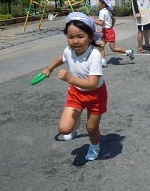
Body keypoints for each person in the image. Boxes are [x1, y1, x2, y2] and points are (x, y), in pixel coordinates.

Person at [41, 12, 107, 161]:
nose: (75, 41)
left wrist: (70, 78)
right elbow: (61, 57)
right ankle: (75, 121)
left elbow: (92, 84)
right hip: (76, 93)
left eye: (80, 36)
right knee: (64, 129)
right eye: (70, 37)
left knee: (91, 128)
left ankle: (95, 145)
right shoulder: (68, 51)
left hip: (95, 95)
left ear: (90, 37)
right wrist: (49, 68)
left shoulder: (94, 55)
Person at [92, 0, 134, 67]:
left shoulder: (102, 12)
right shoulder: (107, 11)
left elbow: (101, 23)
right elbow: (114, 19)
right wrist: (112, 26)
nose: (97, 3)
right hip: (106, 31)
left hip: (108, 32)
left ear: (103, 4)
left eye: (99, 2)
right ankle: (103, 62)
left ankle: (128, 52)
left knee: (113, 49)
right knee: (101, 46)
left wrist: (93, 20)